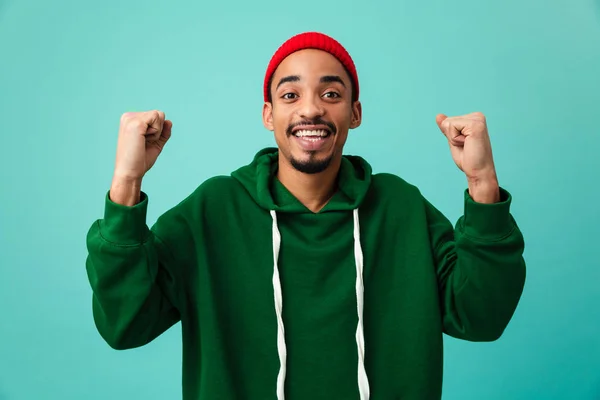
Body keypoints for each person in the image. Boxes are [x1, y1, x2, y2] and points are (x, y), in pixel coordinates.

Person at [85, 31, 526, 400]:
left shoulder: (401, 208)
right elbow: (126, 325)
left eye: (331, 93)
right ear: (268, 114)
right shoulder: (212, 212)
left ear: (354, 113)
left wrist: (482, 181)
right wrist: (126, 183)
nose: (311, 109)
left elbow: (480, 316)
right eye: (290, 94)